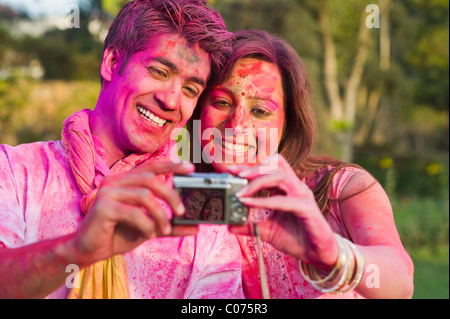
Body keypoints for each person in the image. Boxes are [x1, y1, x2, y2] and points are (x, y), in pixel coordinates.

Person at [0, 0, 244, 299]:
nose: (171, 100)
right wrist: (76, 248)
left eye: (191, 89)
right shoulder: (14, 170)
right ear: (112, 63)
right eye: (158, 71)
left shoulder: (202, 209)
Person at [191, 29, 414, 298]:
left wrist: (332, 253)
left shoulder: (341, 188)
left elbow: (400, 284)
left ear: (289, 124)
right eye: (222, 102)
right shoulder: (188, 198)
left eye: (260, 111)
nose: (237, 125)